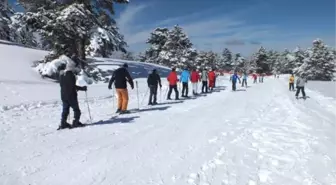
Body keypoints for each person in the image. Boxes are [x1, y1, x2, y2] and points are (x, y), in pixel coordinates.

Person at [58, 59, 87, 130]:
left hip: (63, 95)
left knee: (65, 110)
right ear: (72, 68)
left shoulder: (62, 75)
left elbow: (62, 85)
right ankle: (75, 122)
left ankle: (63, 123)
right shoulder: (71, 75)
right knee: (76, 110)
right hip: (71, 96)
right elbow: (72, 86)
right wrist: (82, 88)